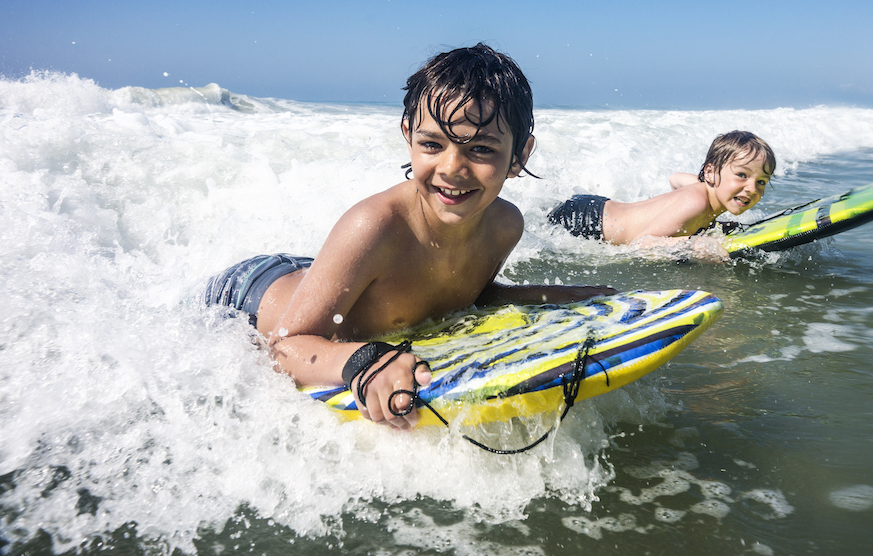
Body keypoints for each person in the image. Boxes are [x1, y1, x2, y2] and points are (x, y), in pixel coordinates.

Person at [205, 44, 615, 430]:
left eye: (481, 149)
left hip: (330, 278)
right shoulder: (374, 226)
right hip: (246, 294)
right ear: (408, 136)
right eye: (432, 144)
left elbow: (459, 294)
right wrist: (363, 361)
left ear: (520, 155)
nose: (451, 168)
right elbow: (282, 348)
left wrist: (546, 296)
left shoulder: (505, 225)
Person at [547, 130, 776, 260]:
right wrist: (696, 244)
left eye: (761, 181)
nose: (752, 188)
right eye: (742, 175)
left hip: (596, 205)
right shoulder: (696, 202)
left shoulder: (704, 191)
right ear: (710, 172)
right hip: (586, 221)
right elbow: (640, 245)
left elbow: (675, 178)